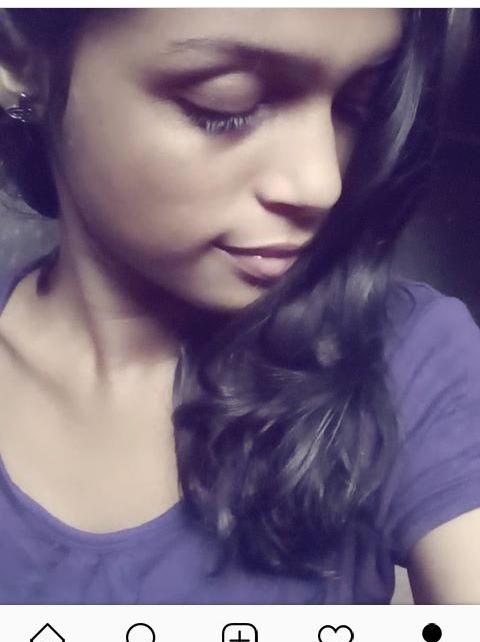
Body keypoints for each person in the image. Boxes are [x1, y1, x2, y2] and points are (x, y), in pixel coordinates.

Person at [0, 8, 478, 606]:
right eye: (227, 105)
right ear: (22, 63)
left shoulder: (409, 354)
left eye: (356, 106)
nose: (322, 184)